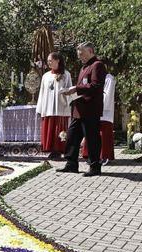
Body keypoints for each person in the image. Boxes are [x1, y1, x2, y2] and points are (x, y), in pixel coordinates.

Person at [59, 42, 107, 177]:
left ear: (91, 51)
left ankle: (95, 167)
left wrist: (76, 88)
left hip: (90, 109)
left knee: (92, 139)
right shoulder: (84, 67)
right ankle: (71, 164)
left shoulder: (97, 65)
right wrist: (73, 92)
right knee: (72, 136)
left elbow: (96, 86)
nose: (80, 57)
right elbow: (84, 86)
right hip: (79, 109)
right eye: (79, 55)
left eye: (82, 54)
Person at [36, 52, 73, 159]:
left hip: (61, 106)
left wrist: (66, 95)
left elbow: (70, 89)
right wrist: (40, 108)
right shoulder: (45, 76)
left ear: (58, 61)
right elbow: (42, 93)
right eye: (48, 61)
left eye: (50, 60)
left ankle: (61, 149)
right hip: (48, 107)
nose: (48, 62)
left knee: (60, 129)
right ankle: (51, 150)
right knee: (50, 129)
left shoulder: (66, 74)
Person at [82, 72, 116, 165]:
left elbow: (107, 95)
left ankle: (104, 156)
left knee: (103, 134)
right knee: (91, 133)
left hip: (104, 112)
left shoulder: (109, 78)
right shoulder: (91, 76)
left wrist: (98, 105)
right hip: (92, 109)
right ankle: (91, 156)